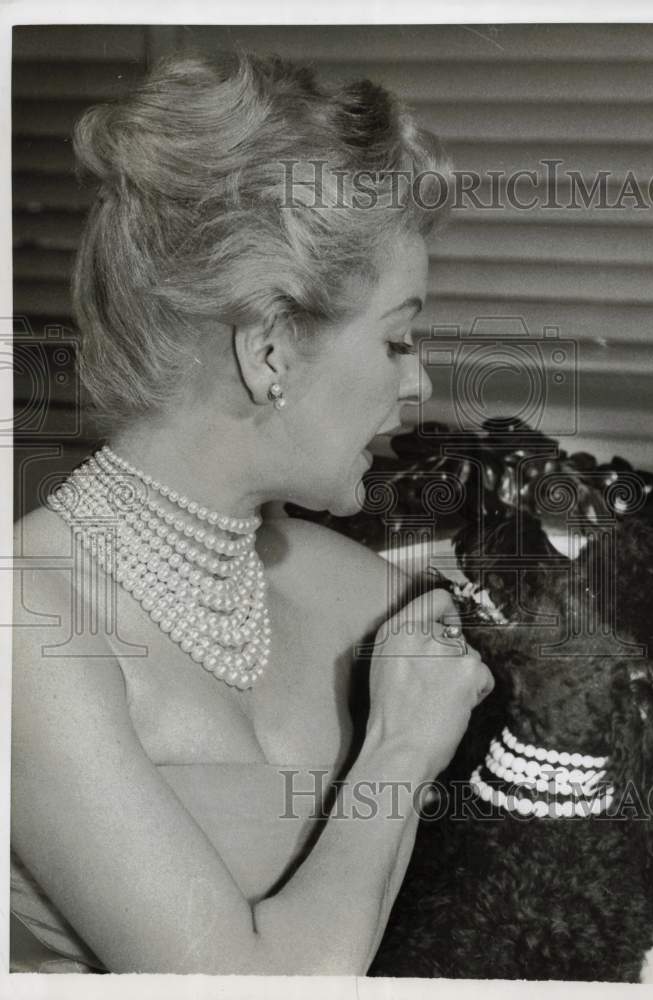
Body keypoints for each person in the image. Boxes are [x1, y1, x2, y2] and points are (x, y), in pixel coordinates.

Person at [11, 50, 494, 974]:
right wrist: (397, 751)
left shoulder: (366, 594)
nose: (418, 379)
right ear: (269, 348)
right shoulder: (30, 627)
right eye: (396, 338)